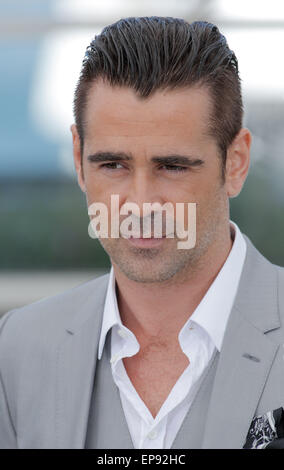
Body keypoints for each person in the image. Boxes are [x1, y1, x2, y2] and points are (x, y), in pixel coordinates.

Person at [0, 17, 284, 450]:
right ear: (78, 158)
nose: (140, 204)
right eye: (113, 165)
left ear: (236, 162)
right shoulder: (17, 350)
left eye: (172, 166)